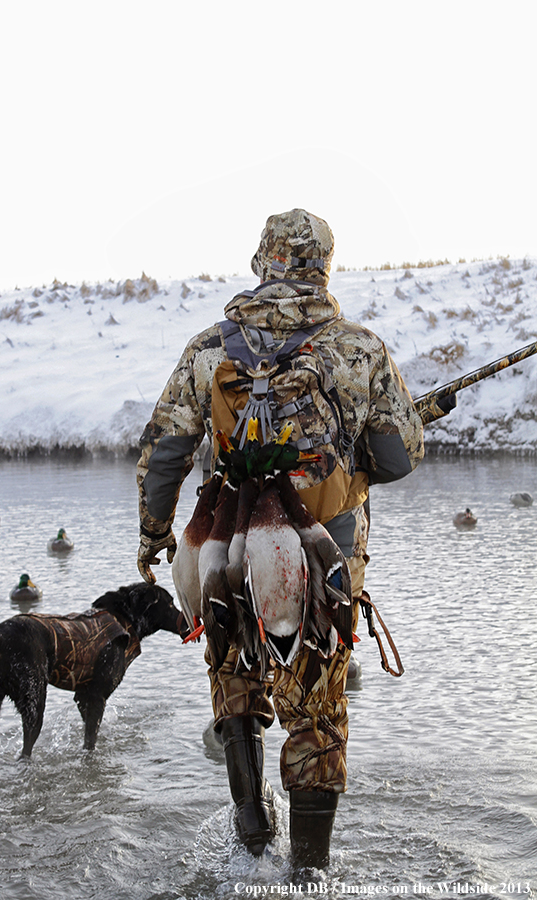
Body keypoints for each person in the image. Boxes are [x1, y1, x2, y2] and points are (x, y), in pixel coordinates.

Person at [136, 209, 424, 871]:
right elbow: (400, 458)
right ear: (324, 262)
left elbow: (166, 449)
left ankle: (251, 824)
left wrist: (154, 533)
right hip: (325, 555)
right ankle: (309, 873)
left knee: (234, 673)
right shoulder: (358, 347)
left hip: (226, 547)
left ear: (262, 259)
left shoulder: (210, 347)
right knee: (316, 708)